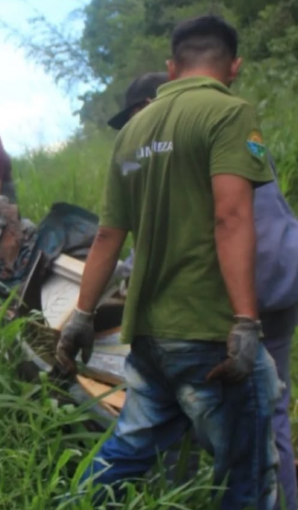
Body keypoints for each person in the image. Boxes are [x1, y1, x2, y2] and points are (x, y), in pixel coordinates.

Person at [56, 15, 281, 509]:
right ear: (234, 66)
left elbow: (109, 234)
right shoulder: (229, 113)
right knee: (247, 474)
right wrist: (244, 322)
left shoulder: (133, 131)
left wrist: (83, 315)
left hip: (151, 335)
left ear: (172, 66)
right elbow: (231, 216)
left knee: (128, 449)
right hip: (208, 332)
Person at [110, 71, 298, 510]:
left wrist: (128, 272)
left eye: (139, 115)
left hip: (240, 295)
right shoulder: (225, 124)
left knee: (248, 418)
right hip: (280, 274)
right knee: (266, 412)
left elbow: (194, 228)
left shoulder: (173, 142)